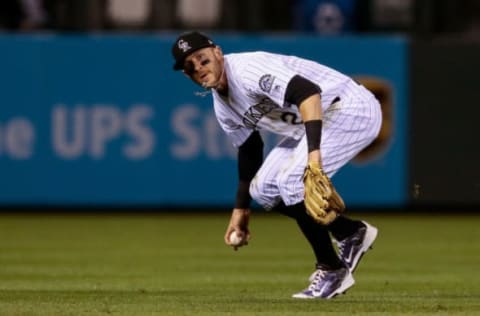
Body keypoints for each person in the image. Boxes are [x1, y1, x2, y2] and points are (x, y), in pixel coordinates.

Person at [171, 31, 380, 299]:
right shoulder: (222, 104)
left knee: (292, 182)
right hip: (314, 125)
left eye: (202, 59)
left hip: (350, 109)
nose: (199, 68)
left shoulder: (247, 71)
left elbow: (308, 94)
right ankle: (350, 232)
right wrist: (241, 209)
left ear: (217, 52)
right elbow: (250, 148)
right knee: (264, 189)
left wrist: (314, 156)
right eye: (190, 67)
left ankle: (332, 270)